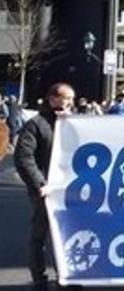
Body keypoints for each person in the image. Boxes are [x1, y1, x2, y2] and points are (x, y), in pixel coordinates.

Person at [16, 82, 74, 290]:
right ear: (51, 99)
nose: (67, 103)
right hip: (45, 189)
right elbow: (24, 157)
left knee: (69, 233)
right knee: (39, 234)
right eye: (64, 98)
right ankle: (39, 277)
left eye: (70, 99)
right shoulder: (36, 124)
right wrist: (40, 183)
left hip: (70, 190)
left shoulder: (75, 123)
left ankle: (66, 275)